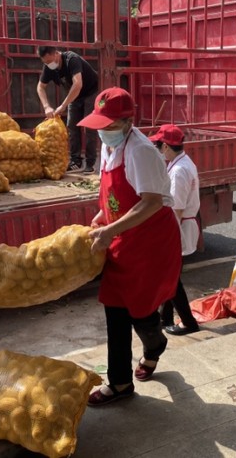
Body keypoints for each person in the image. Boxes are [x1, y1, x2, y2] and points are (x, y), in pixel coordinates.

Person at [78, 87, 181, 406]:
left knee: (141, 310)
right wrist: (103, 216)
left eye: (109, 125)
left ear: (127, 122)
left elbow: (151, 202)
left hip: (149, 242)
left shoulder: (141, 152)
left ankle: (155, 345)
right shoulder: (110, 145)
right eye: (100, 125)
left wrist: (110, 229)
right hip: (123, 237)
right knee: (114, 309)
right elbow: (117, 194)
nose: (103, 131)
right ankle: (120, 382)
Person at [150, 124, 201, 336]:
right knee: (171, 276)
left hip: (179, 227)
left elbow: (176, 210)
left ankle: (189, 322)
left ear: (166, 147)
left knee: (171, 278)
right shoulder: (181, 163)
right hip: (181, 226)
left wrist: (165, 238)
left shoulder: (179, 171)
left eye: (158, 145)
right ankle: (166, 318)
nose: (157, 149)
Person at [36, 46, 99, 173]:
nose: (48, 64)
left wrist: (63, 105)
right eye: (45, 62)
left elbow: (78, 84)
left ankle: (90, 163)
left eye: (49, 61)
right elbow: (40, 87)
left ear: (56, 54)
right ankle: (75, 161)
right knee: (72, 126)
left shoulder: (71, 59)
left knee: (89, 127)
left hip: (91, 92)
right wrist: (46, 106)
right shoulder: (48, 67)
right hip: (74, 95)